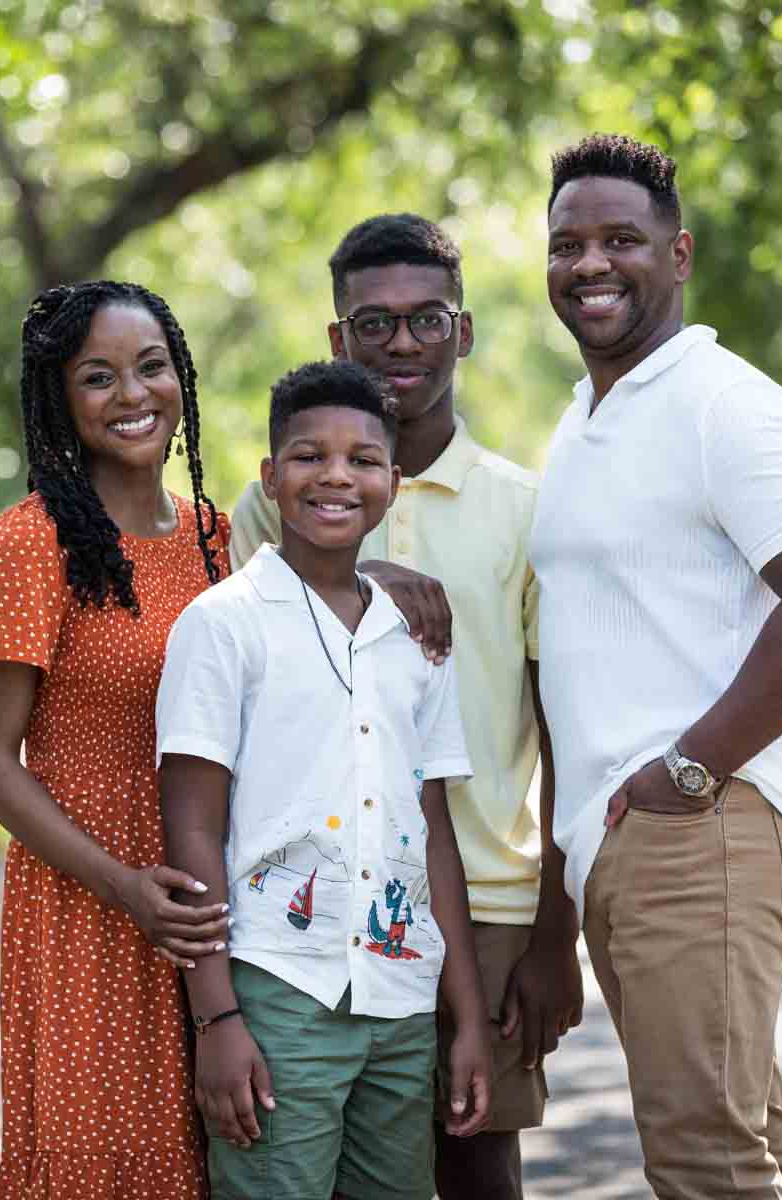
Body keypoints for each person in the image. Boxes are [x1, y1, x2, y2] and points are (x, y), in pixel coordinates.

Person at [530, 133, 782, 1199]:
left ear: (678, 256)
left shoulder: (724, 403)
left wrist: (690, 769)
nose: (591, 264)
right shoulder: (587, 418)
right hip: (635, 840)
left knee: (703, 1157)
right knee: (746, 1149)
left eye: (621, 240)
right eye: (567, 244)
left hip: (708, 822)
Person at [227, 214, 581, 1200]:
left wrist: (560, 929)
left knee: (476, 1162)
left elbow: (563, 731)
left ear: (462, 332)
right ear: (337, 340)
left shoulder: (523, 506)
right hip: (317, 899)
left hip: (494, 897)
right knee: (332, 1166)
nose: (402, 344)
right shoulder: (276, 506)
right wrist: (356, 569)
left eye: (427, 319)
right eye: (373, 324)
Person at [158, 359, 492, 1200]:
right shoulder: (223, 623)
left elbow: (434, 833)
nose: (336, 476)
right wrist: (217, 1018)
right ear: (270, 478)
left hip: (400, 992)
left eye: (363, 460)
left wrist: (467, 1019)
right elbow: (192, 831)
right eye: (308, 456)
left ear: (394, 481)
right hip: (278, 990)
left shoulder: (417, 638)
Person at [0, 281, 232, 1199]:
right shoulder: (28, 546)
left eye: (152, 367)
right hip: (89, 897)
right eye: (99, 377)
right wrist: (124, 887)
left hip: (216, 893)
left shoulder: (218, 541)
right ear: (59, 400)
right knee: (103, 1158)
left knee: (226, 1153)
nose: (133, 395)